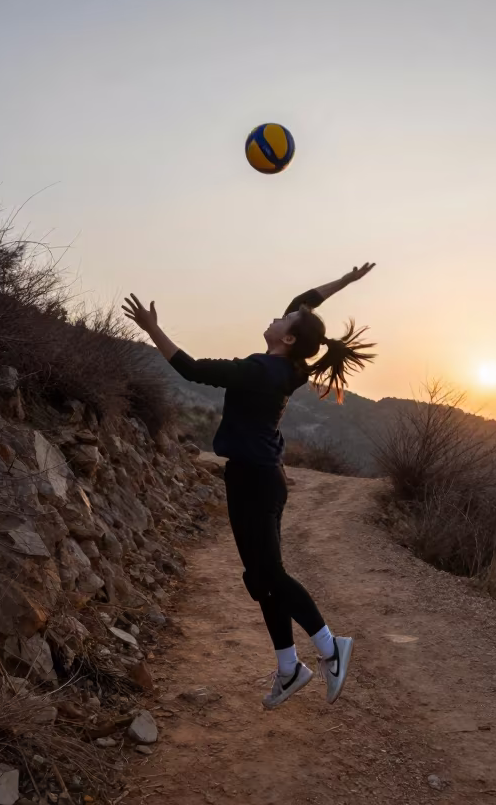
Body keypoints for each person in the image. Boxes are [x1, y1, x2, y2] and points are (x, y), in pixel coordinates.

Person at [123, 264, 376, 709]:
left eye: (283, 322)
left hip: (255, 481)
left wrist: (152, 329)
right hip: (259, 478)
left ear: (289, 338)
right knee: (261, 579)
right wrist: (344, 282)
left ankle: (331, 646)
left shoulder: (262, 370)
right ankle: (289, 668)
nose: (276, 318)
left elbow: (192, 369)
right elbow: (305, 300)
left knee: (270, 575)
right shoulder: (292, 366)